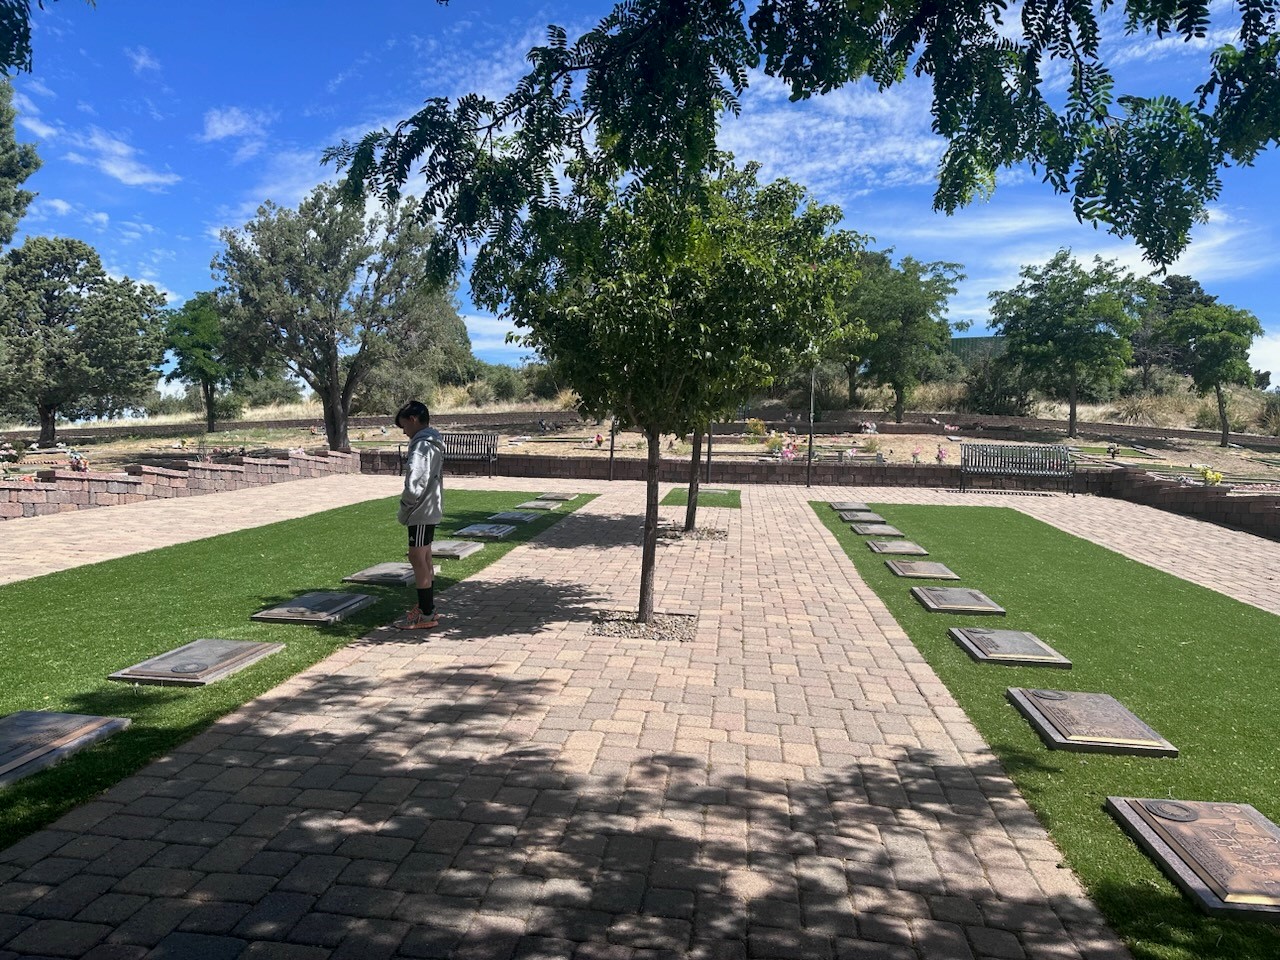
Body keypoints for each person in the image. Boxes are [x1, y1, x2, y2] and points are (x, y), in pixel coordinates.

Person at [394, 400, 445, 629]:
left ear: (413, 420)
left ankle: (426, 614)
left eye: (404, 426)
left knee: (417, 556)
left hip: (421, 509)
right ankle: (428, 609)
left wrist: (406, 504)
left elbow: (417, 480)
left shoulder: (422, 445)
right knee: (424, 556)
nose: (404, 432)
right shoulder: (430, 441)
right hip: (428, 508)